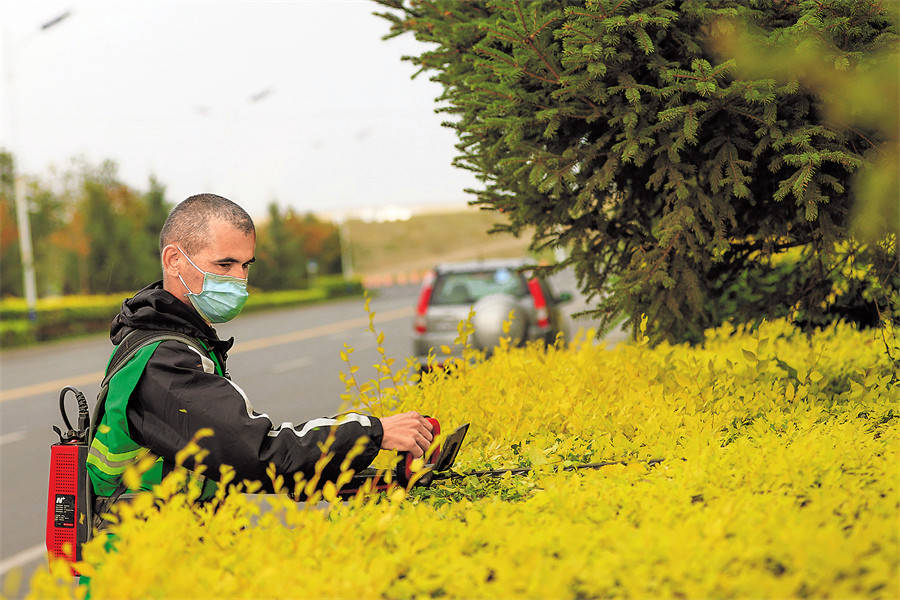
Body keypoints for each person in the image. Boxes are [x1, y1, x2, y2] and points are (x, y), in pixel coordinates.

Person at [86, 193, 433, 502]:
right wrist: (372, 432)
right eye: (224, 264)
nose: (239, 278)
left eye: (245, 265)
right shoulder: (163, 362)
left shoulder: (180, 342)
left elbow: (224, 464)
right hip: (138, 561)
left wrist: (352, 481)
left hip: (167, 550)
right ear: (174, 260)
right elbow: (257, 452)